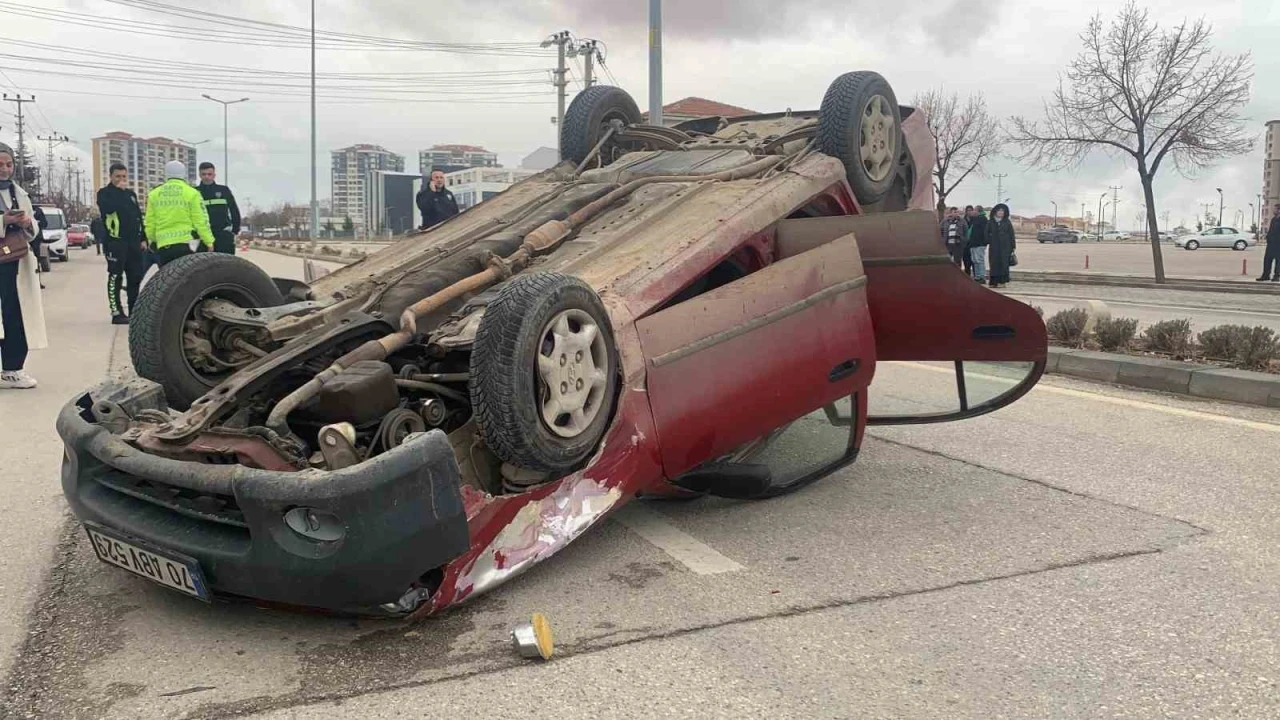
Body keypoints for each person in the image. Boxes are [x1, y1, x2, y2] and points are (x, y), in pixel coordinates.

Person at [0, 142, 48, 389]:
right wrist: (3, 220)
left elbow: (34, 231)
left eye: (8, 164)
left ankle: (12, 369)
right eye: (0, 165)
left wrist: (26, 222)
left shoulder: (20, 193)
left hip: (15, 262)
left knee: (16, 315)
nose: (5, 170)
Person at [97, 162, 148, 324]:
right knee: (115, 277)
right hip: (115, 242)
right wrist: (119, 191)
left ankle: (134, 310)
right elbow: (109, 209)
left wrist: (143, 238)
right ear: (111, 176)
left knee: (135, 276)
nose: (121, 179)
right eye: (118, 176)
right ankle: (116, 312)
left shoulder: (131, 194)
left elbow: (139, 216)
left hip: (133, 243)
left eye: (124, 176)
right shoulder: (105, 193)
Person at [145, 160, 214, 266]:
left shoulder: (154, 194)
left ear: (166, 173)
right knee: (186, 279)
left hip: (164, 246)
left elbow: (149, 224)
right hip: (186, 245)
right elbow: (200, 221)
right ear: (183, 174)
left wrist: (156, 239)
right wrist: (209, 241)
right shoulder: (192, 193)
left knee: (168, 280)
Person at [196, 162, 241, 254]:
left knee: (226, 265)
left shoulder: (224, 190)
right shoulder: (194, 192)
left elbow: (234, 210)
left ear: (214, 175)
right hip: (203, 236)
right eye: (204, 174)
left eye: (209, 174)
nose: (206, 177)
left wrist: (234, 231)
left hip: (223, 234)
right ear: (199, 175)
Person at [986, 203, 1016, 288]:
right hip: (994, 247)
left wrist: (1013, 246)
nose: (1000, 212)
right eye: (999, 211)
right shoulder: (991, 222)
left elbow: (1011, 234)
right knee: (994, 264)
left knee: (1004, 264)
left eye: (1002, 211)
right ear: (995, 212)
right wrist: (989, 240)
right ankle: (993, 282)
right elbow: (986, 233)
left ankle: (1002, 282)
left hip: (1005, 247)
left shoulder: (1007, 222)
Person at [1258, 205, 1280, 283]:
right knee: (1267, 259)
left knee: (1278, 261)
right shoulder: (1274, 219)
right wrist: (1268, 237)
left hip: (1278, 244)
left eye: (1275, 209)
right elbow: (1271, 230)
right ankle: (1266, 275)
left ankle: (1276, 276)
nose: (1273, 211)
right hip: (1271, 244)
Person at [967, 204, 989, 284]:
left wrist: (984, 242)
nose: (973, 211)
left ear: (978, 211)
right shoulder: (975, 219)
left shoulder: (983, 219)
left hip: (979, 243)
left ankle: (982, 276)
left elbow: (984, 232)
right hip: (973, 243)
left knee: (979, 260)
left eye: (975, 210)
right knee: (974, 260)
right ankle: (977, 276)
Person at [961, 206, 976, 275]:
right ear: (966, 211)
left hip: (973, 243)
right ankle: (967, 274)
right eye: (968, 210)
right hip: (965, 243)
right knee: (966, 260)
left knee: (974, 260)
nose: (969, 212)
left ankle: (976, 275)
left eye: (971, 210)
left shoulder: (975, 219)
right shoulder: (963, 220)